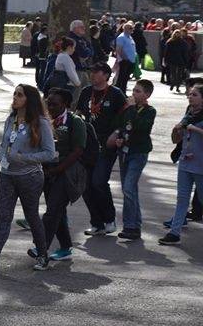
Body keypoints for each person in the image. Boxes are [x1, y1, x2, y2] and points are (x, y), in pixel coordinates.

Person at [0, 85, 56, 273]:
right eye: (15, 94)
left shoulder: (40, 122)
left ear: (30, 99)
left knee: (32, 216)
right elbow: (4, 144)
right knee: (3, 218)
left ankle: (43, 254)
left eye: (20, 95)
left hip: (30, 176)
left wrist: (24, 158)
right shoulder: (11, 119)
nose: (15, 98)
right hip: (7, 175)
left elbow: (50, 153)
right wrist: (2, 155)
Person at [36, 88, 87, 262]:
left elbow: (78, 150)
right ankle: (65, 247)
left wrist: (58, 170)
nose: (49, 106)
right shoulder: (43, 121)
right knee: (57, 211)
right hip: (47, 171)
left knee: (52, 212)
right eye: (48, 103)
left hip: (67, 172)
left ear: (65, 104)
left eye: (54, 104)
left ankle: (41, 248)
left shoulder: (75, 122)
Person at [77, 62, 126, 236]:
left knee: (98, 181)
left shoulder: (116, 94)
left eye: (97, 72)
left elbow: (126, 117)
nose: (93, 75)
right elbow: (78, 114)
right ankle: (96, 223)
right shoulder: (85, 92)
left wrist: (118, 133)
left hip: (106, 146)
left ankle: (109, 219)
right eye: (92, 71)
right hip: (86, 146)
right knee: (86, 186)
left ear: (106, 75)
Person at [106, 79, 156, 241]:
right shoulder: (129, 109)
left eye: (138, 91)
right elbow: (118, 124)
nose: (134, 94)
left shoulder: (149, 111)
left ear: (147, 95)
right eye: (134, 90)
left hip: (138, 152)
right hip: (125, 152)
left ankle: (130, 225)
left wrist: (131, 110)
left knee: (128, 187)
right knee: (130, 189)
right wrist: (119, 138)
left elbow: (141, 128)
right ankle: (134, 226)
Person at [161, 84, 203, 246]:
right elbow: (176, 140)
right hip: (185, 162)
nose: (190, 97)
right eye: (189, 94)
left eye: (194, 95)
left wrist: (195, 129)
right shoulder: (188, 114)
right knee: (182, 198)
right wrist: (176, 131)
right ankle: (174, 232)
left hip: (200, 166)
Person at [113, 22, 138, 95]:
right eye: (130, 28)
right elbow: (119, 49)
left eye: (132, 28)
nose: (132, 30)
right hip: (125, 61)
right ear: (125, 29)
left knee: (126, 78)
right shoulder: (121, 37)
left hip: (131, 61)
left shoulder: (130, 37)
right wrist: (125, 58)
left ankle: (123, 92)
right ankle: (117, 93)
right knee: (121, 78)